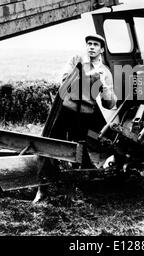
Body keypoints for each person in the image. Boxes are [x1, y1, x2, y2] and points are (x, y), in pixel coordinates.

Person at [33, 34, 117, 203]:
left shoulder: (105, 72)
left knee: (80, 152)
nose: (91, 47)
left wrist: (104, 86)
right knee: (49, 147)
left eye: (95, 45)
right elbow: (64, 82)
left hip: (85, 116)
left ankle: (74, 193)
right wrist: (88, 75)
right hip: (66, 112)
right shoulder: (76, 61)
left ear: (101, 50)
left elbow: (109, 104)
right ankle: (42, 190)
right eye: (89, 44)